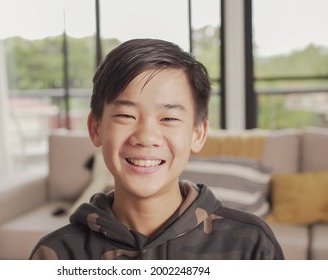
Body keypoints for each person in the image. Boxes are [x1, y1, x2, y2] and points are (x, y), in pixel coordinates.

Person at [29, 38, 284, 260]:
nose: (146, 137)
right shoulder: (56, 254)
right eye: (126, 115)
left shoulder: (251, 245)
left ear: (198, 134)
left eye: (169, 118)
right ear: (96, 129)